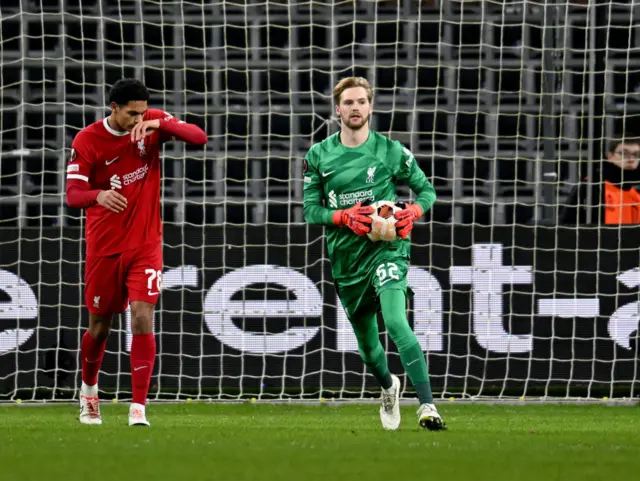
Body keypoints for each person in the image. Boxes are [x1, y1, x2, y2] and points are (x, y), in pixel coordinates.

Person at [303, 77, 445, 431]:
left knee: (396, 322)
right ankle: (388, 386)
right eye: (348, 102)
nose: (355, 108)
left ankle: (427, 406)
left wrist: (413, 212)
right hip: (346, 261)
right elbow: (310, 211)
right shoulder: (318, 156)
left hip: (386, 250)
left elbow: (426, 190)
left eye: (362, 102)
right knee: (368, 350)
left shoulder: (390, 151)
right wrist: (342, 217)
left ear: (370, 107)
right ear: (338, 109)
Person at [65, 78, 207, 426]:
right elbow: (72, 195)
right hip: (105, 247)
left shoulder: (151, 123)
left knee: (143, 316)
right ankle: (89, 392)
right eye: (132, 114)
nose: (138, 119)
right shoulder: (87, 140)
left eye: (143, 112)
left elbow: (199, 138)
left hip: (145, 244)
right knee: (100, 327)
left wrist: (158, 122)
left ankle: (138, 407)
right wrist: (97, 195)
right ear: (114, 109)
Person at [559, 133, 640, 224]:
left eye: (636, 154)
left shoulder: (636, 192)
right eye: (624, 153)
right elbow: (565, 224)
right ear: (610, 156)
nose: (631, 158)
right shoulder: (592, 186)